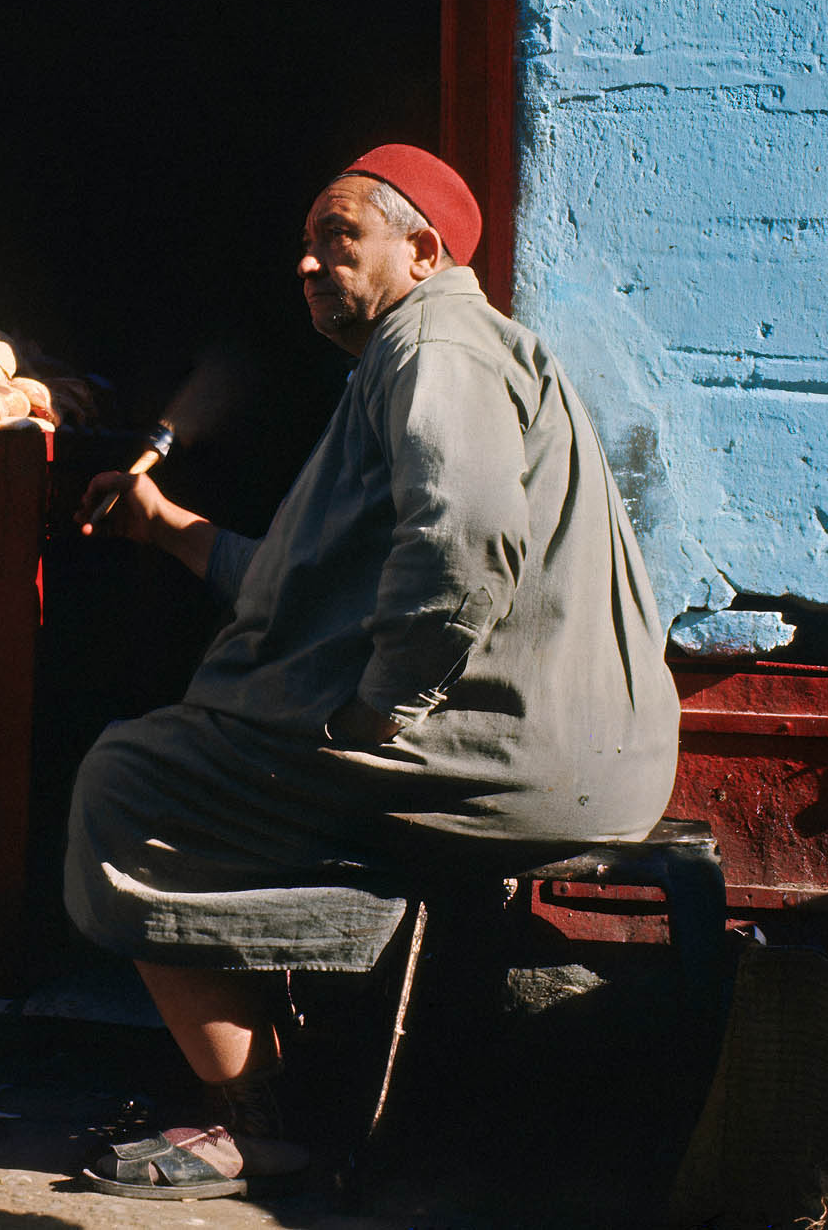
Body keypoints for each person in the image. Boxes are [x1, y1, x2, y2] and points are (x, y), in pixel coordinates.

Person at [65, 145, 680, 1200]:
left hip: (505, 762)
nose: (306, 264)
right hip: (574, 759)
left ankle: (266, 1124)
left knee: (129, 784)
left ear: (422, 250)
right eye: (303, 245)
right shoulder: (417, 364)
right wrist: (166, 527)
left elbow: (463, 542)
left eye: (336, 237)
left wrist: (381, 708)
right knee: (200, 756)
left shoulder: (434, 337)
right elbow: (304, 591)